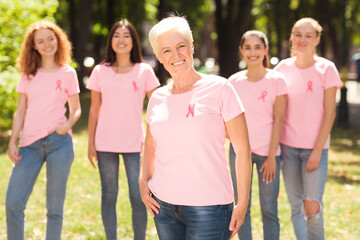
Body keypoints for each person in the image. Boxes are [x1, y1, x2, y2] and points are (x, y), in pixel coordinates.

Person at [139, 15, 252, 240]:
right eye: (167, 50)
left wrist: (243, 202)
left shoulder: (220, 88)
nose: (176, 55)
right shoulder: (158, 97)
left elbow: (242, 150)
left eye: (181, 46)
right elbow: (151, 144)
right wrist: (143, 181)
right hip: (164, 207)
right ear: (160, 57)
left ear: (192, 47)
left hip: (209, 208)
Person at [6, 20, 81, 240]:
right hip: (29, 146)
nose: (47, 44)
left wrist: (66, 126)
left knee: (55, 209)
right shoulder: (28, 74)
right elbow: (20, 111)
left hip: (60, 144)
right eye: (41, 41)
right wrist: (13, 140)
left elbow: (76, 109)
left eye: (50, 38)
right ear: (34, 46)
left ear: (58, 40)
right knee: (13, 204)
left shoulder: (68, 72)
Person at [87, 19, 160, 240]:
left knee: (138, 197)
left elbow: (158, 106)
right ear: (111, 41)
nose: (121, 40)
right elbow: (93, 111)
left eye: (126, 35)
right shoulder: (100, 71)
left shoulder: (145, 70)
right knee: (108, 196)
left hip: (135, 144)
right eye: (117, 35)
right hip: (105, 144)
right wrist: (90, 144)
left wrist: (156, 140)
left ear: (133, 41)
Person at [274, 18, 342, 240]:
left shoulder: (326, 69)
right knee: (295, 208)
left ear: (317, 40)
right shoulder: (282, 68)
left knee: (312, 207)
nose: (302, 39)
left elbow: (330, 113)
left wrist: (317, 150)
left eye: (308, 35)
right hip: (288, 150)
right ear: (292, 37)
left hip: (315, 150)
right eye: (298, 34)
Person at [228, 30, 288, 240]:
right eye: (248, 48)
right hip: (239, 153)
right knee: (241, 208)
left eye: (257, 47)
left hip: (268, 154)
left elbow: (279, 119)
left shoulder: (277, 80)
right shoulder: (233, 82)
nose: (252, 52)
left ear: (265, 50)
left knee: (269, 209)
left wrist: (272, 156)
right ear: (241, 51)